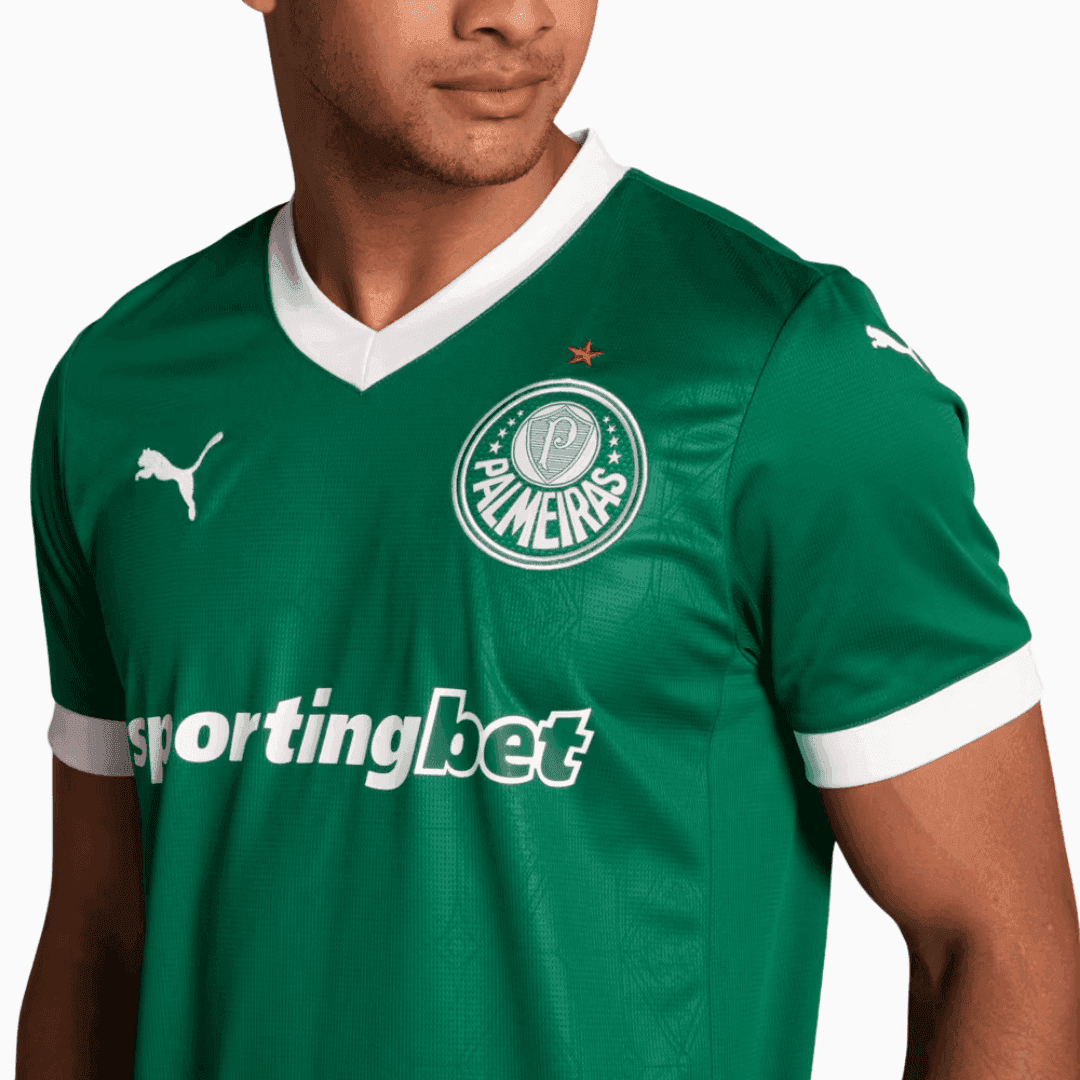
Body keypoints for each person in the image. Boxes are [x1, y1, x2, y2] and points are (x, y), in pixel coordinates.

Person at [15, 0, 1079, 1077]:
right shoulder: (120, 393)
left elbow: (1001, 947)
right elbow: (102, 938)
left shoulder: (791, 374)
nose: (515, 17)